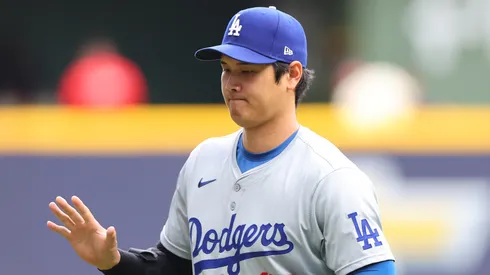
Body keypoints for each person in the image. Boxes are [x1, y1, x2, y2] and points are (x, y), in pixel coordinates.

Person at [47, 6, 396, 275]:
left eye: (248, 71)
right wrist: (114, 261)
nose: (232, 83)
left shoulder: (331, 179)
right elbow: (175, 265)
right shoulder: (204, 161)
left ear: (291, 75)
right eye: (226, 69)